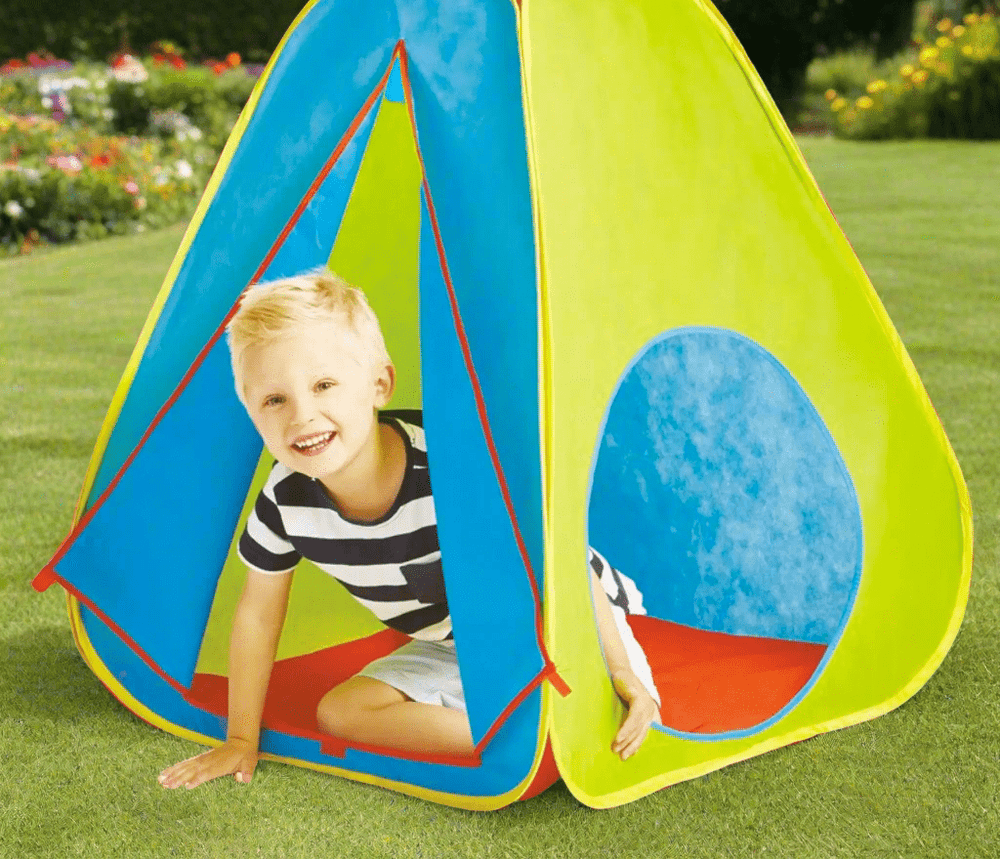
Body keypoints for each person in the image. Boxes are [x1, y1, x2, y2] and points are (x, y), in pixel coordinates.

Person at [159, 269, 659, 790]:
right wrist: (241, 738)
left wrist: (621, 671)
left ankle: (570, 713)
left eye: (324, 385)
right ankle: (526, 735)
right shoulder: (284, 505)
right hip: (452, 641)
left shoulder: (452, 468)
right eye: (274, 400)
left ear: (378, 385)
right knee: (341, 712)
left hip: (568, 609)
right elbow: (258, 615)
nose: (303, 416)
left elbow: (562, 560)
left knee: (619, 711)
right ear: (252, 412)